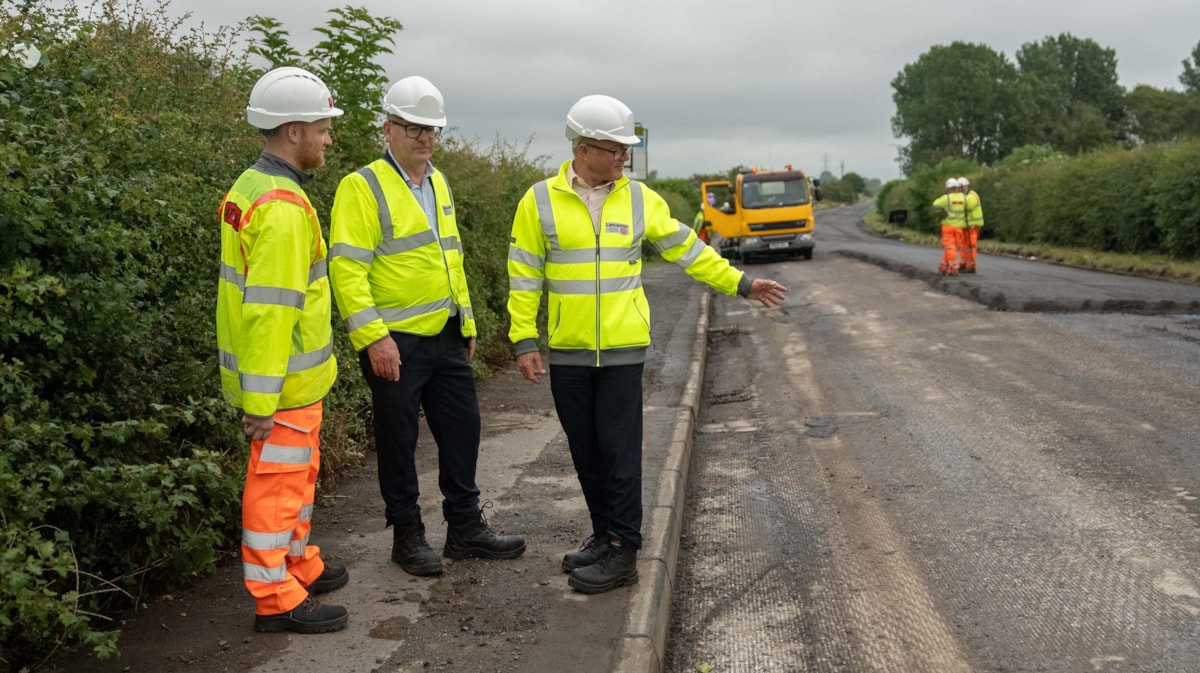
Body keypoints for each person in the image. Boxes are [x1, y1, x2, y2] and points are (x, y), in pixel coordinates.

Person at [506, 94, 788, 594]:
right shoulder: (539, 201)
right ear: (584, 148)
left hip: (622, 350)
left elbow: (688, 250)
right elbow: (524, 274)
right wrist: (524, 336)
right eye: (615, 150)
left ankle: (624, 552)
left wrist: (741, 284)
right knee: (586, 452)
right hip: (568, 349)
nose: (623, 158)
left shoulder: (639, 199)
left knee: (619, 453)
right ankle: (603, 536)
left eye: (625, 150)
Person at [329, 76, 525, 578]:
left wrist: (468, 317)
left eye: (431, 129)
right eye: (413, 128)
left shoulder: (438, 182)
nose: (424, 137)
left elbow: (450, 257)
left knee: (463, 431)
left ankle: (464, 530)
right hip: (394, 340)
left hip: (445, 334)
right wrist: (373, 337)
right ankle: (407, 535)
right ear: (388, 128)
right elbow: (347, 268)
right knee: (398, 440)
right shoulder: (362, 185)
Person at [216, 66, 349, 634]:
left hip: (287, 383)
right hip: (282, 387)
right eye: (321, 127)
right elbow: (271, 312)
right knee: (277, 486)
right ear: (294, 131)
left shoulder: (252, 187)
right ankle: (275, 599)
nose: (327, 138)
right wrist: (262, 401)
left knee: (297, 478)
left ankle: (296, 563)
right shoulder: (285, 208)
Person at [931, 177, 967, 276]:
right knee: (953, 248)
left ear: (948, 189)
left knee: (950, 248)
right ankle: (943, 267)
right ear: (957, 187)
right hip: (959, 227)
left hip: (947, 227)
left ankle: (953, 268)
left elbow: (935, 204)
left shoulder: (946, 198)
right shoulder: (964, 198)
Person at [959, 176, 984, 273]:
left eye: (963, 187)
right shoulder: (964, 196)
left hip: (973, 225)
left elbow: (967, 206)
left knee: (971, 245)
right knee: (964, 246)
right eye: (959, 188)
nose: (961, 189)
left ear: (967, 186)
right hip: (966, 226)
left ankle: (971, 266)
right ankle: (964, 263)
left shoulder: (973, 196)